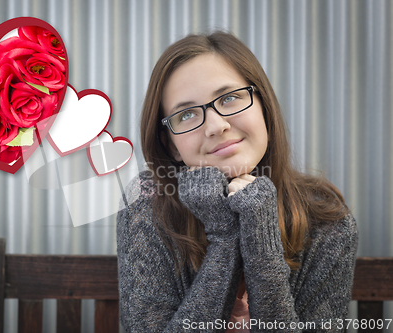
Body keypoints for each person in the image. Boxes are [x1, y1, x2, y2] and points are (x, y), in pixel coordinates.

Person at [116, 31, 358, 332]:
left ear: (263, 106)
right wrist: (224, 236)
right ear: (171, 145)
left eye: (230, 98)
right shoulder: (147, 206)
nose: (217, 126)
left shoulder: (328, 223)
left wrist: (261, 238)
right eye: (187, 114)